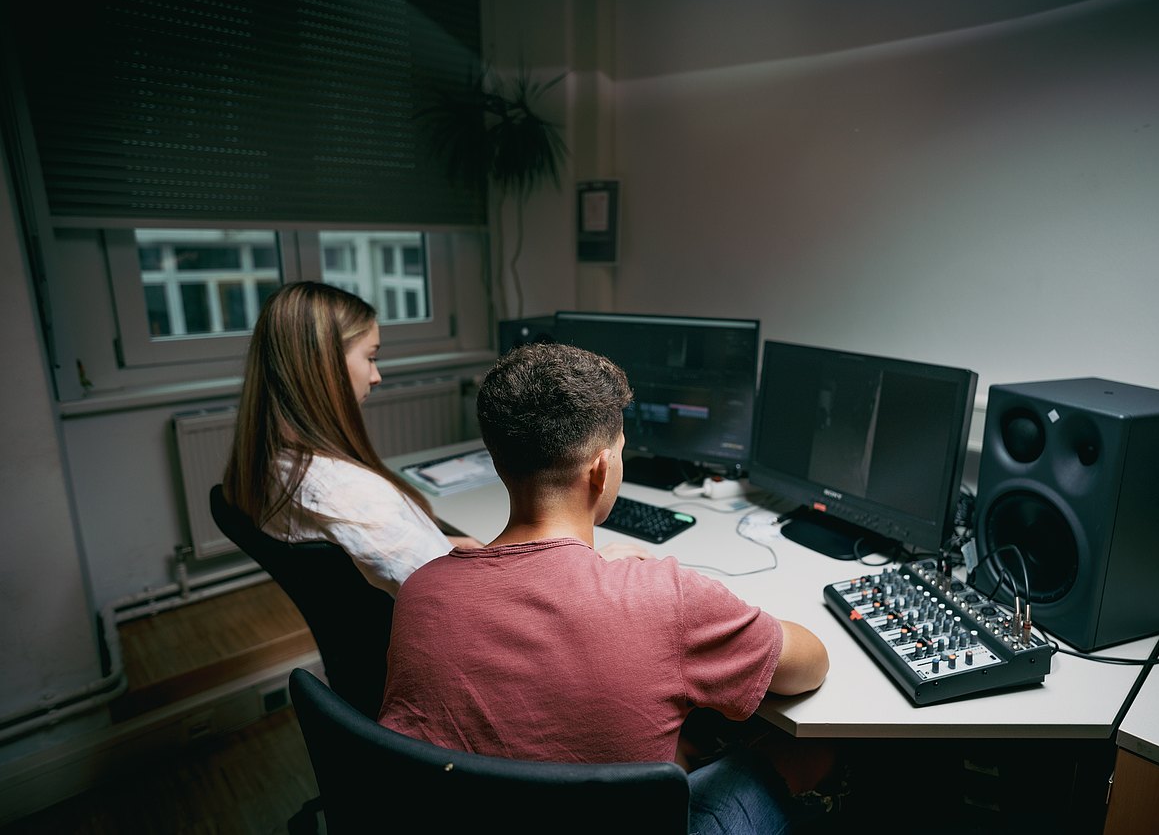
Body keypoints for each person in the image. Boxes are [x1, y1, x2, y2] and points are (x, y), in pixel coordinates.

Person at [379, 342, 843, 832]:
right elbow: (809, 667)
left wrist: (585, 575)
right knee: (809, 749)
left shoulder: (420, 591)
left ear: (498, 461)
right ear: (601, 469)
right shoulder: (664, 597)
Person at [221, 281, 480, 597]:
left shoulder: (274, 463)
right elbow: (450, 595)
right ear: (323, 364)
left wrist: (443, 546)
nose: (376, 376)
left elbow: (387, 550)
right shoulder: (346, 492)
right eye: (370, 358)